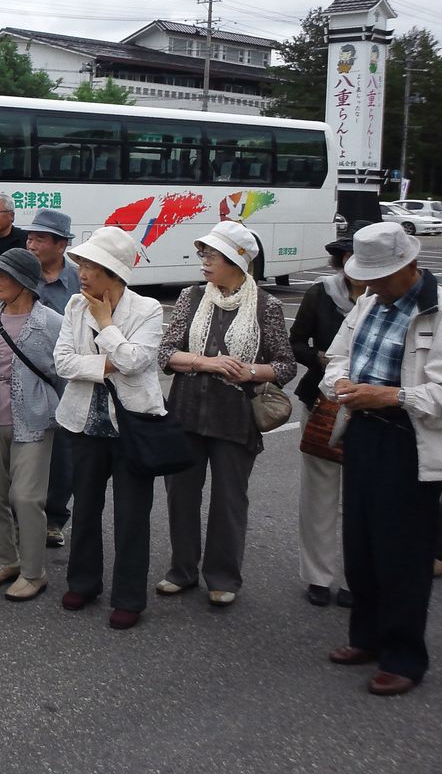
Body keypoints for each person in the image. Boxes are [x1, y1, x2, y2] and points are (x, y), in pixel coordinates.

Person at [322, 223, 442, 697]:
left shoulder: (441, 311)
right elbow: (336, 357)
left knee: (404, 555)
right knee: (361, 543)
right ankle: (366, 637)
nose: (369, 284)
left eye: (380, 275)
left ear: (410, 266)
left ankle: (404, 656)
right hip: (361, 433)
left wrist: (393, 396)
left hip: (407, 442)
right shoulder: (368, 303)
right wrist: (338, 385)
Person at [156, 220, 296, 606]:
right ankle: (181, 570)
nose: (203, 261)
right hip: (185, 412)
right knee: (180, 497)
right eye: (203, 254)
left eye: (211, 255)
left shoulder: (266, 305)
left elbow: (285, 366)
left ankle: (222, 577)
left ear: (237, 259)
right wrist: (208, 363)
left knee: (229, 501)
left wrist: (250, 370)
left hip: (236, 418)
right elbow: (166, 354)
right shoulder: (192, 297)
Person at [54, 227, 165, 630]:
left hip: (133, 425)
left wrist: (106, 323)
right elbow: (63, 362)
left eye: (91, 266)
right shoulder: (73, 306)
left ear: (114, 272)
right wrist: (108, 363)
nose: (82, 273)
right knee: (85, 507)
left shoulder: (148, 308)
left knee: (132, 514)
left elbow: (138, 361)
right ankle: (83, 582)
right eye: (81, 264)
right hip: (84, 422)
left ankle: (129, 596)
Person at [0, 247, 63, 602]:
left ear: (24, 282)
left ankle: (33, 572)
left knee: (26, 497)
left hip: (34, 420)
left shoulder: (51, 322)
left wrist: (51, 404)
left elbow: (63, 373)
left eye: (2, 276)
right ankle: (5, 560)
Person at [290, 235, 365, 608]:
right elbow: (296, 340)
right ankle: (318, 576)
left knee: (361, 497)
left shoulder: (386, 299)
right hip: (321, 402)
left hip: (369, 409)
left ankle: (357, 577)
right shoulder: (321, 293)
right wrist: (322, 360)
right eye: (352, 255)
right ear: (343, 259)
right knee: (319, 493)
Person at [24, 207, 81, 548]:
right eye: (30, 237)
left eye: (40, 238)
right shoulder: (19, 273)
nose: (31, 243)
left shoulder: (78, 279)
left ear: (61, 245)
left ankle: (55, 518)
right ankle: (23, 516)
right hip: (24, 376)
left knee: (62, 451)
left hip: (64, 378)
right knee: (24, 449)